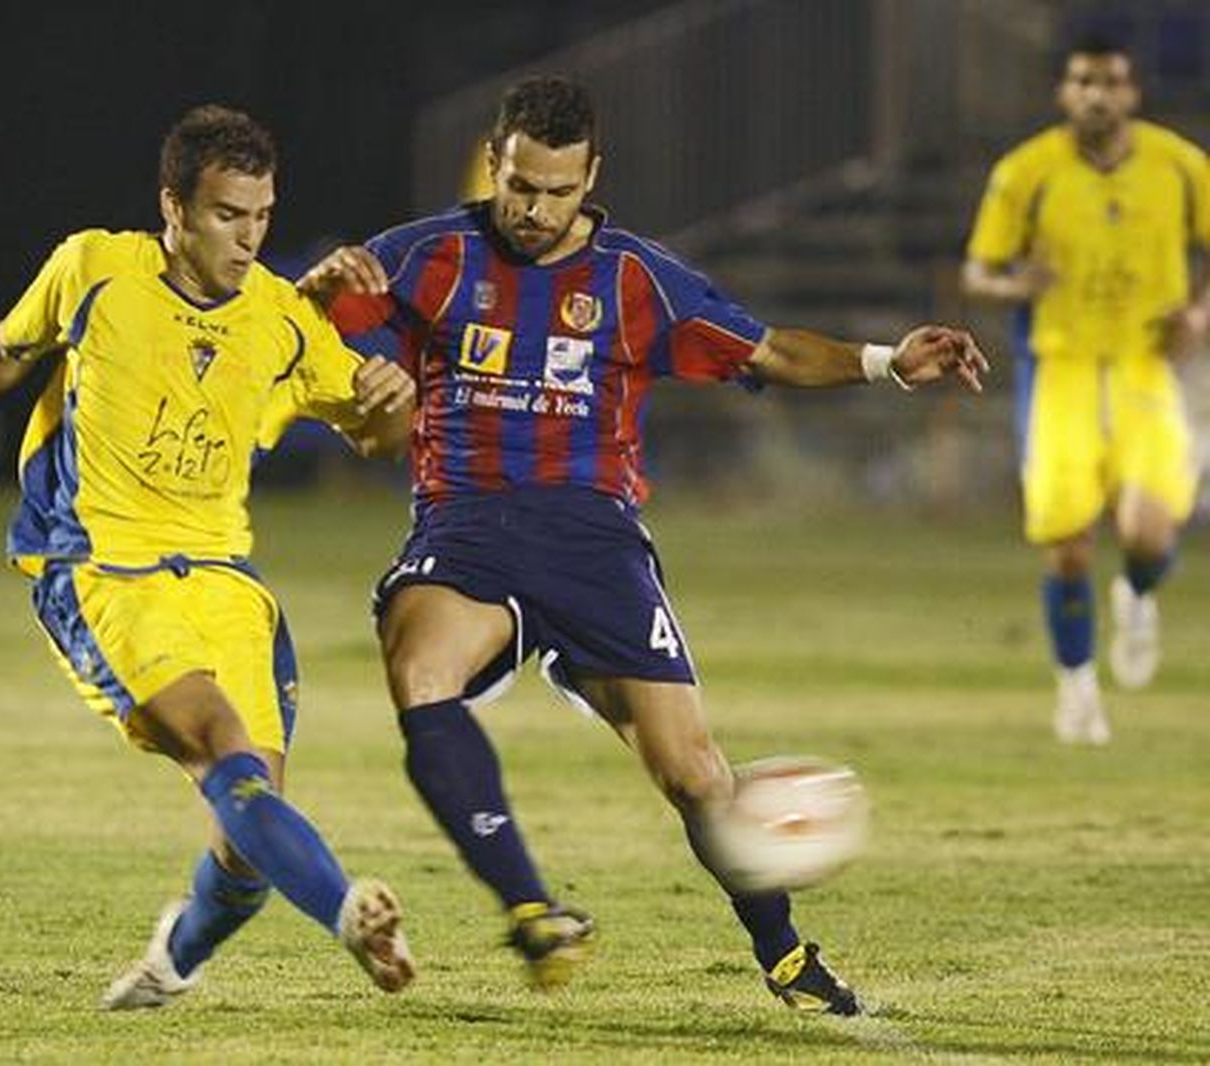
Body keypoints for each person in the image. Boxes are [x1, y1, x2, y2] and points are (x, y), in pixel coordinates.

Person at [299, 75, 988, 1013]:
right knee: (419, 674)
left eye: (557, 191)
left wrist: (886, 364)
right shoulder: (426, 256)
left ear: (591, 178)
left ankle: (785, 955)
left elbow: (767, 350)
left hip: (596, 540)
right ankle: (532, 910)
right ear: (493, 162)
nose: (534, 209)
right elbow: (297, 327)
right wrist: (317, 295)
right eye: (518, 186)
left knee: (695, 774)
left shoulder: (636, 279)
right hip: (467, 526)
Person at [0, 104, 418, 1007]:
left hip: (224, 579)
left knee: (250, 839)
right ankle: (349, 912)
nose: (248, 238)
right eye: (226, 215)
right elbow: (3, 352)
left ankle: (172, 961)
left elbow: (374, 436)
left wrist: (393, 401)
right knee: (221, 750)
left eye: (261, 216)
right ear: (173, 207)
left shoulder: (281, 318)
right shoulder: (97, 269)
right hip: (104, 570)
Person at [962, 35, 1209, 745]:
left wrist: (1199, 314)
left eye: (1110, 82)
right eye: (1083, 82)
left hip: (1145, 366)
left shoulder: (1181, 165)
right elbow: (978, 272)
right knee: (1068, 544)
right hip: (1060, 370)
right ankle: (1076, 687)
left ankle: (1137, 592)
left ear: (1132, 93)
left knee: (1148, 534)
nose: (1097, 95)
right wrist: (1017, 286)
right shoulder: (1026, 172)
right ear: (1063, 93)